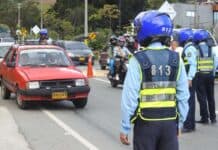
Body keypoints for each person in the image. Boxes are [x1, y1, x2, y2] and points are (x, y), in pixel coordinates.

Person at [120, 10, 189, 150]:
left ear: (145, 31)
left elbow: (129, 99)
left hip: (146, 125)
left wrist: (125, 127)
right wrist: (179, 123)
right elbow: (183, 96)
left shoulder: (137, 60)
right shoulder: (176, 59)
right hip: (170, 124)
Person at [194, 29, 217, 124]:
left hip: (200, 76)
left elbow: (194, 63)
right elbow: (215, 62)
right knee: (211, 97)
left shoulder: (196, 49)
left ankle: (205, 118)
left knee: (202, 97)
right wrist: (213, 73)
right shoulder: (211, 48)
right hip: (210, 75)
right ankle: (213, 117)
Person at [178, 28, 197, 133]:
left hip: (191, 78)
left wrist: (189, 78)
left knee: (189, 101)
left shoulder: (189, 49)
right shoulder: (190, 47)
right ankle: (191, 124)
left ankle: (188, 125)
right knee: (190, 100)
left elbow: (192, 64)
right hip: (191, 77)